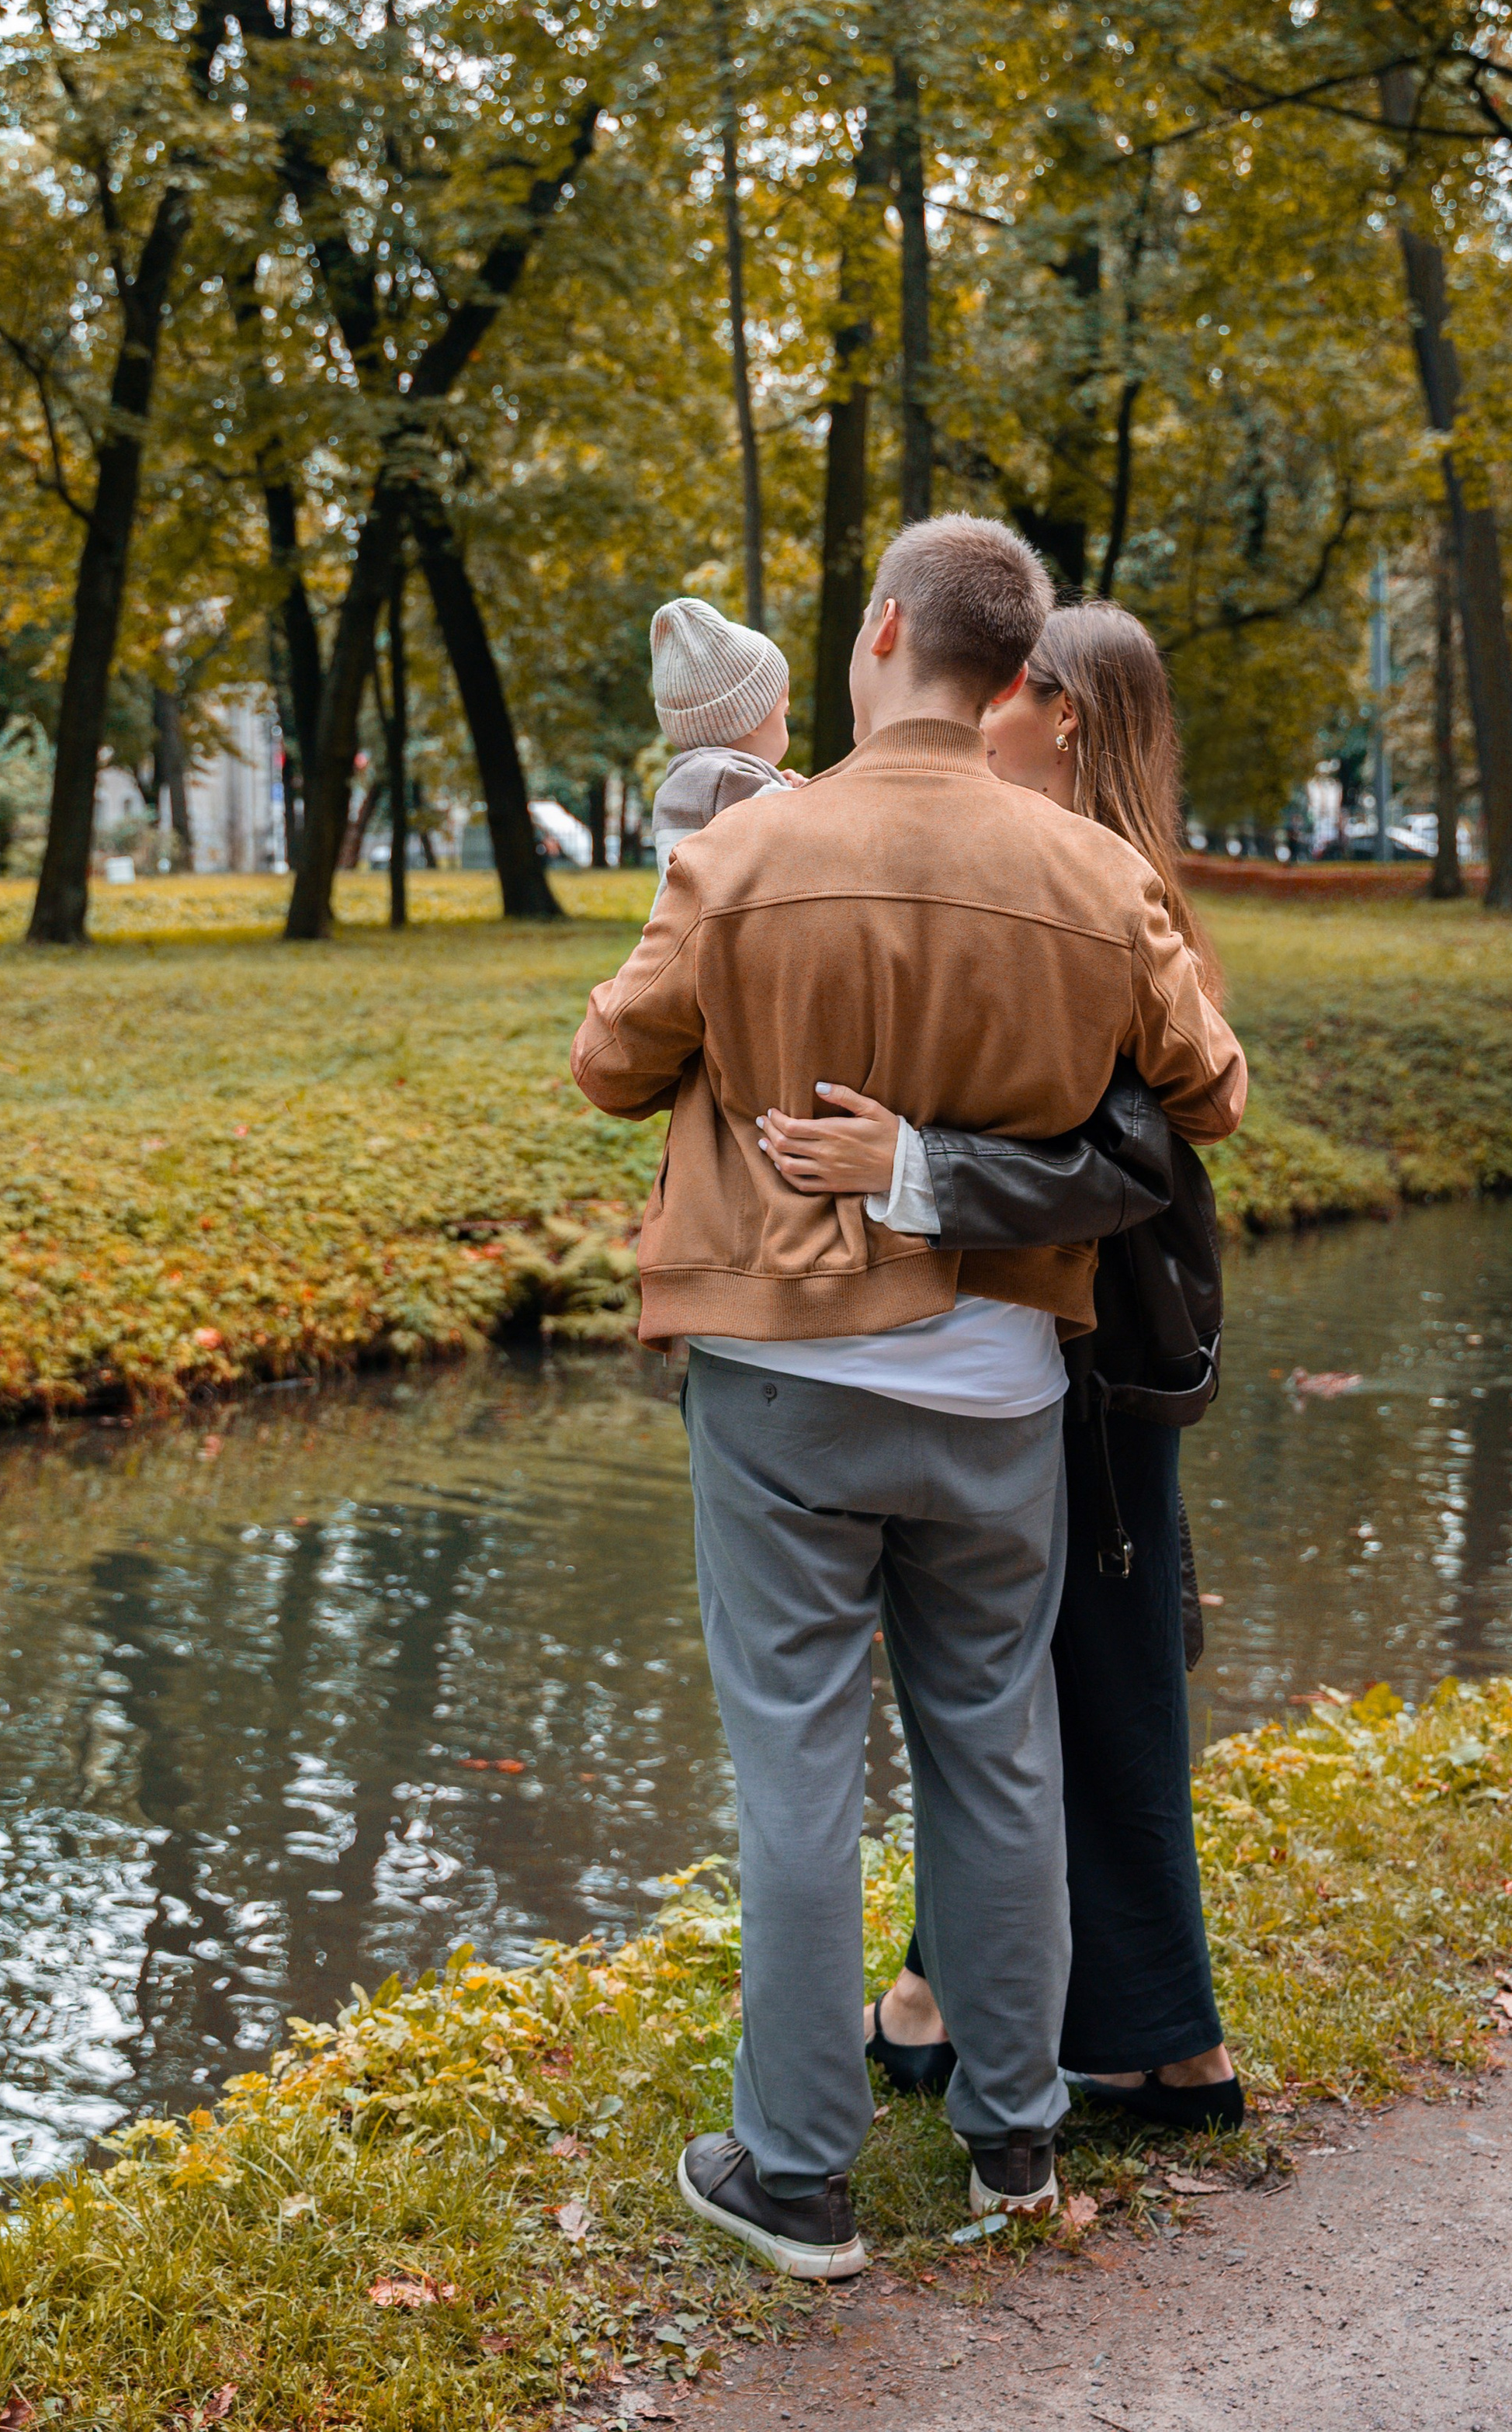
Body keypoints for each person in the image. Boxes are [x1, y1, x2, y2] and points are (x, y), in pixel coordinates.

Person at [570, 523, 1246, 2282]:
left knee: (796, 1761)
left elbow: (607, 1063)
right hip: (1000, 1389)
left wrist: (695, 879)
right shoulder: (1088, 872)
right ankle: (1009, 2141)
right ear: (1016, 666)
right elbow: (1207, 1091)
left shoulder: (748, 845)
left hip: (782, 1377)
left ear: (877, 636)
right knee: (992, 1749)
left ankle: (794, 2175)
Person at [758, 600, 1242, 2134]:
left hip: (1088, 1355)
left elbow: (1133, 1158)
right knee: (1008, 1689)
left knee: (1086, 1686)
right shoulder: (1048, 871)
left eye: (1007, 699)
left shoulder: (1104, 892)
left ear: (1066, 713)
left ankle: (1168, 2048)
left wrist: (917, 1164)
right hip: (1051, 1346)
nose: (975, 720)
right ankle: (937, 1997)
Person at [646, 596, 799, 886]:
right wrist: (808, 795)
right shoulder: (724, 778)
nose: (787, 721)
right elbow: (805, 833)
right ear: (751, 719)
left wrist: (781, 787)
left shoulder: (696, 778)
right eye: (784, 712)